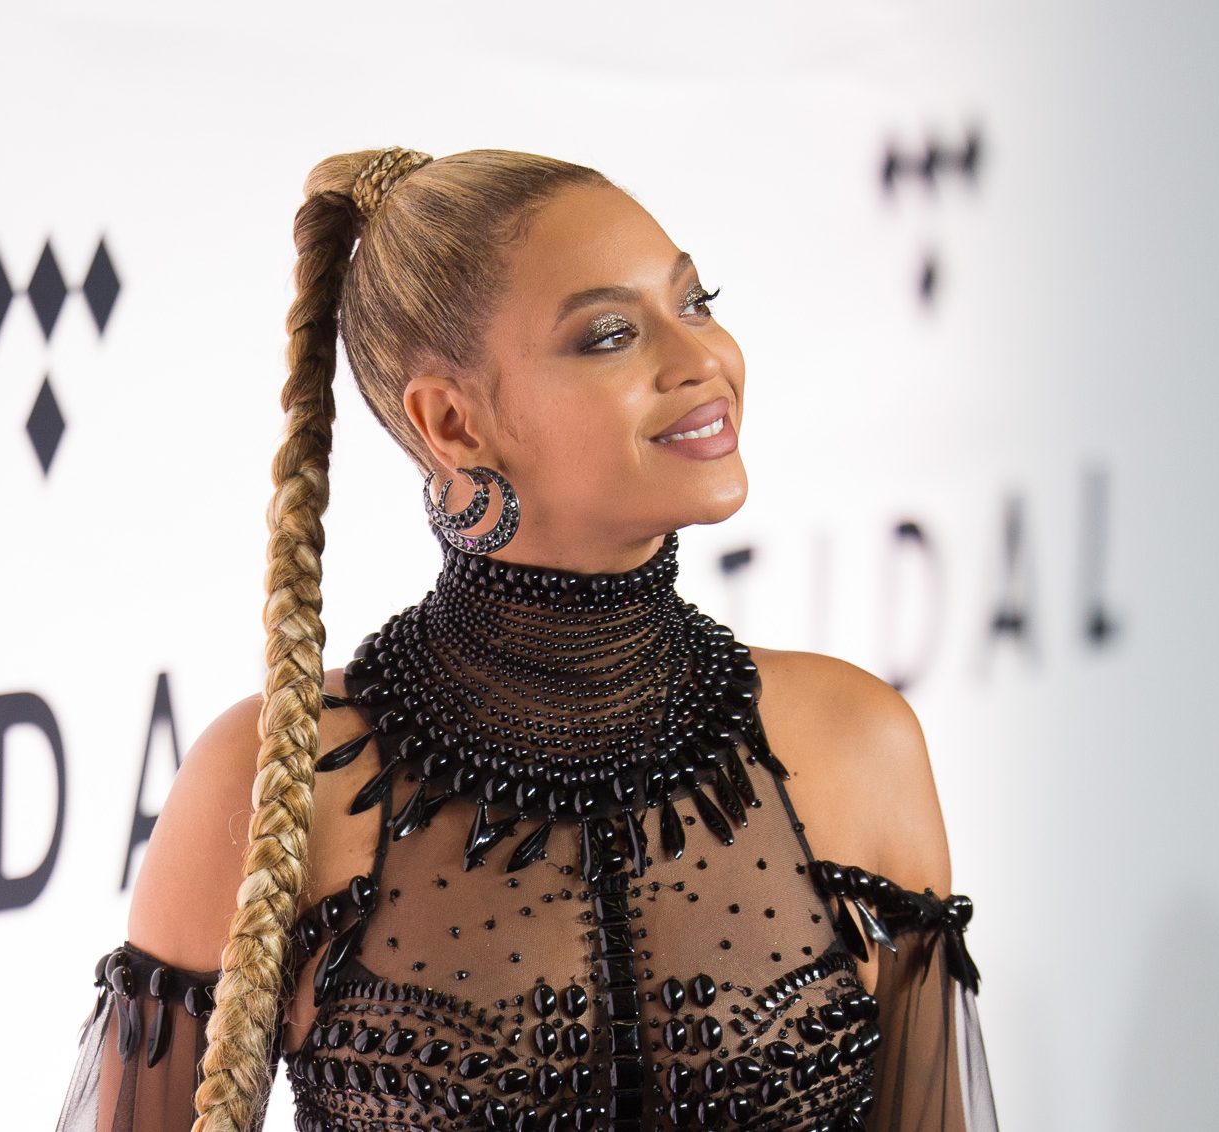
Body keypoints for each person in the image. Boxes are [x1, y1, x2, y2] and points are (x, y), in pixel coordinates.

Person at [53, 146, 997, 1132]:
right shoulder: (269, 784)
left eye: (697, 301)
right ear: (451, 422)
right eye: (610, 335)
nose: (700, 360)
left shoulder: (858, 742)